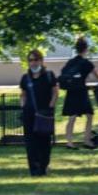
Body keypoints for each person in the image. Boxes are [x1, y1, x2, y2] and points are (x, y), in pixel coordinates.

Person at [58, 37, 98, 149]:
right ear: (86, 49)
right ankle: (87, 140)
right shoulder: (86, 63)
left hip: (71, 92)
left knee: (72, 117)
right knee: (89, 115)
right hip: (81, 92)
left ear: (76, 49)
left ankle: (69, 142)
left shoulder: (71, 62)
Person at [19, 49, 58, 177]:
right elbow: (23, 95)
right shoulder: (25, 78)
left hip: (44, 114)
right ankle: (34, 170)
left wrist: (51, 106)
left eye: (36, 60)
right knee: (31, 144)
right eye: (30, 60)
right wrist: (23, 106)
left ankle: (43, 167)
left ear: (41, 61)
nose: (33, 62)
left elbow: (55, 92)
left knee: (44, 143)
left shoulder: (49, 76)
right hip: (29, 115)